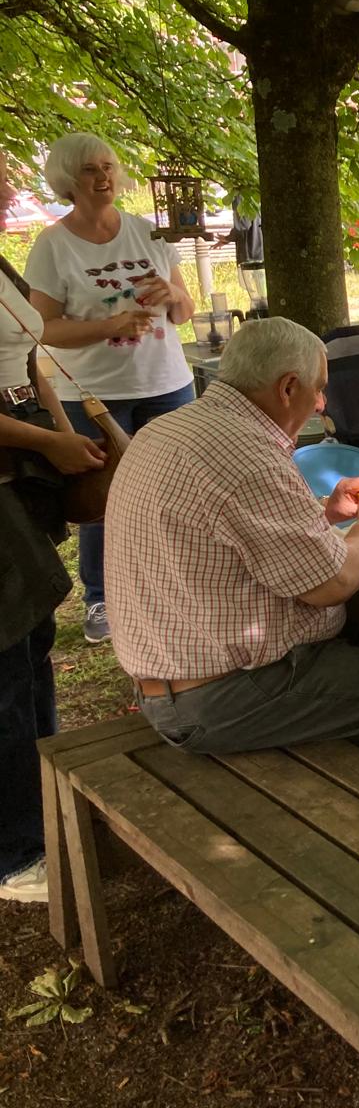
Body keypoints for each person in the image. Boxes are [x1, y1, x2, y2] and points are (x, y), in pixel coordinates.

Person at [104, 318, 359, 801]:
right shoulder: (246, 455)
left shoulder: (176, 427)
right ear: (287, 387)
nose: (322, 404)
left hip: (176, 677)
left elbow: (233, 535)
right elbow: (331, 584)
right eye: (319, 391)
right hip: (213, 699)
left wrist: (326, 512)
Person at [25, 133, 197, 645]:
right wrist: (108, 325)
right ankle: (103, 597)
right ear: (67, 182)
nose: (103, 178)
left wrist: (174, 294)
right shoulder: (54, 245)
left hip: (167, 384)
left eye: (108, 167)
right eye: (89, 171)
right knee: (106, 498)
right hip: (96, 393)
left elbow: (184, 312)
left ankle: (172, 584)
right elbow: (43, 329)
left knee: (172, 492)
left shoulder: (148, 232)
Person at [0, 150, 107, 903]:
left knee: (35, 640)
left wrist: (69, 441)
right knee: (5, 661)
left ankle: (45, 809)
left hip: (24, 481)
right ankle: (14, 853)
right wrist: (45, 442)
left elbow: (32, 361)